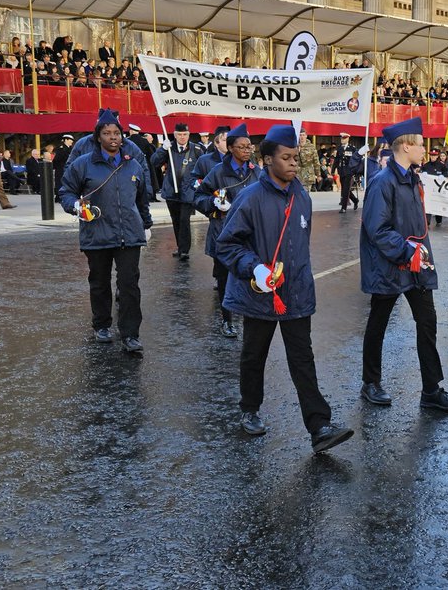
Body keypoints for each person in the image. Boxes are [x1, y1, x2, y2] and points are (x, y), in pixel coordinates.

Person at [215, 124, 354, 453]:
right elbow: (227, 245)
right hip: (260, 294)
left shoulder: (302, 196)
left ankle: (319, 425)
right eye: (287, 158)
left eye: (295, 158)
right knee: (254, 355)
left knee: (302, 358)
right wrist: (256, 268)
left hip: (295, 294)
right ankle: (250, 409)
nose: (294, 164)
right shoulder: (250, 199)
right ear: (267, 161)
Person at [358, 117, 448, 412]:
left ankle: (431, 389)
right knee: (378, 324)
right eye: (420, 144)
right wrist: (406, 251)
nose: (425, 150)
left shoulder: (412, 177)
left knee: (427, 322)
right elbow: (376, 229)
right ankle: (370, 382)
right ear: (405, 146)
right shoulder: (383, 182)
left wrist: (420, 256)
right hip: (391, 265)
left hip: (416, 266)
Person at [59, 109, 153, 353]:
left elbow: (142, 198)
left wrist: (147, 223)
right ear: (98, 136)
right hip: (97, 232)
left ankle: (130, 333)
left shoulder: (132, 164)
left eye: (117, 133)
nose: (113, 137)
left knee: (129, 285)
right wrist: (74, 206)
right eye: (107, 133)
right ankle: (101, 325)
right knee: (99, 283)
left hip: (129, 234)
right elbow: (66, 192)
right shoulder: (83, 164)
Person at [194, 124, 259, 339]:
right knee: (225, 279)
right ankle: (226, 319)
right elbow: (198, 196)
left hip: (250, 235)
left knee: (249, 275)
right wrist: (213, 203)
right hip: (223, 234)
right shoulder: (218, 171)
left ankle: (247, 313)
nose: (247, 150)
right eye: (242, 147)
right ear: (230, 148)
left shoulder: (255, 171)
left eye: (249, 146)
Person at [151, 122, 202, 260]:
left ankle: (185, 250)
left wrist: (198, 185)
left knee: (184, 220)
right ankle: (180, 246)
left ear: (189, 135)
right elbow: (154, 162)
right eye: (179, 134)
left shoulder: (196, 150)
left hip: (188, 191)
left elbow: (204, 168)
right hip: (171, 191)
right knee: (176, 220)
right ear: (174, 135)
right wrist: (162, 149)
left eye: (185, 134)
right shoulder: (169, 148)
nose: (182, 137)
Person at [334, 132, 363, 212]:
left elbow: (357, 159)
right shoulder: (339, 148)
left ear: (348, 139)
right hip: (341, 170)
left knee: (345, 189)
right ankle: (355, 200)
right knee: (345, 189)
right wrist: (333, 170)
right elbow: (336, 160)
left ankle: (343, 207)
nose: (342, 140)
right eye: (341, 138)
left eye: (344, 138)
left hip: (349, 171)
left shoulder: (352, 148)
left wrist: (357, 171)